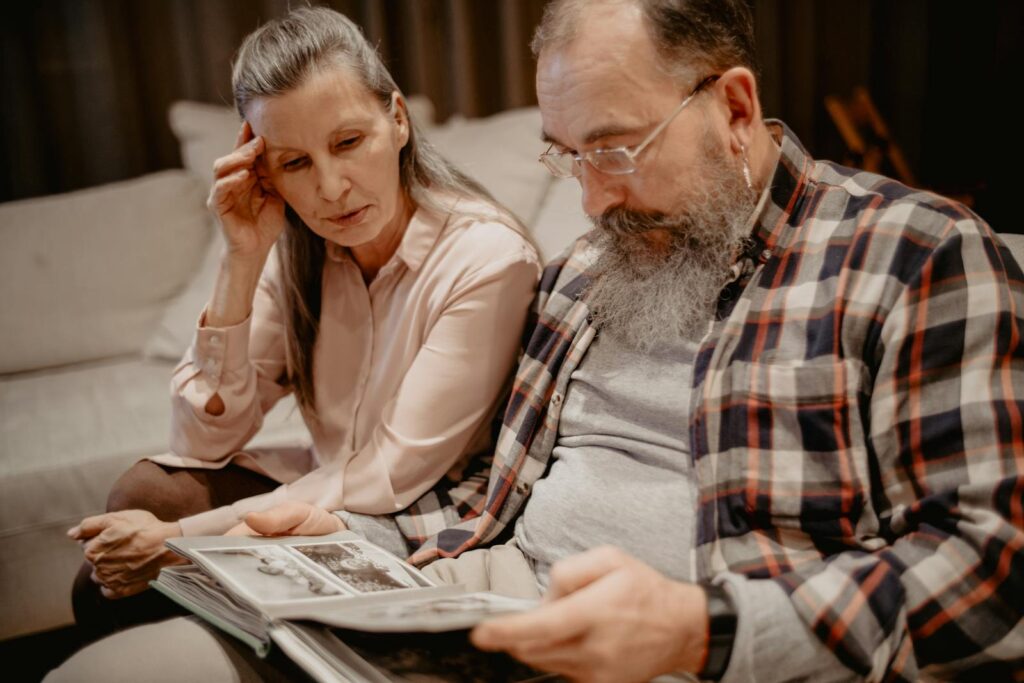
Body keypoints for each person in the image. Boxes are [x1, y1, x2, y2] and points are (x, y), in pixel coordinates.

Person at [51, 0, 1023, 681]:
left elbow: (986, 558)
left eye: (614, 148)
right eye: (568, 156)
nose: (590, 198)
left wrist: (700, 629)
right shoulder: (585, 274)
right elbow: (485, 492)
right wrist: (341, 533)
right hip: (485, 606)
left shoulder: (916, 258)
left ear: (731, 106)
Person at [66, 5, 540, 641]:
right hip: (335, 483)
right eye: (295, 163)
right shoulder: (296, 253)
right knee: (144, 494)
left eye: (348, 143)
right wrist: (241, 257)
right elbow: (202, 443)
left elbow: (390, 472)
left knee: (133, 551)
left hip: (430, 505)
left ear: (396, 119)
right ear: (265, 171)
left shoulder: (486, 257)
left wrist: (181, 538)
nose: (333, 188)